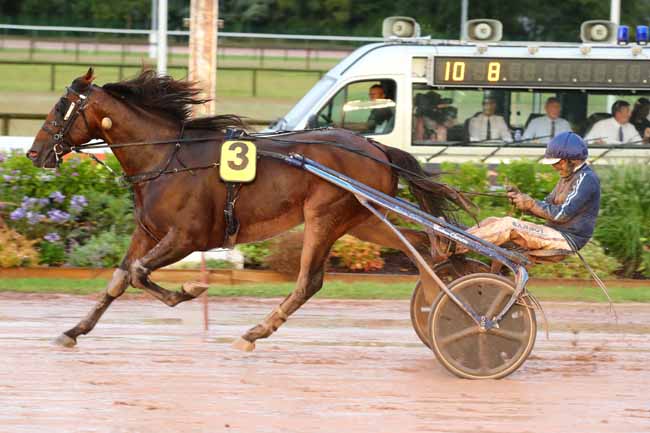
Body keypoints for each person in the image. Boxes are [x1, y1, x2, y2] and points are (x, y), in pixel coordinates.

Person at [455, 132, 600, 254]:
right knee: (493, 221)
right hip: (553, 231)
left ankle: (455, 246)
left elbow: (560, 215)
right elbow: (546, 206)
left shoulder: (586, 179)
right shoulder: (567, 176)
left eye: (558, 162)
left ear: (573, 160)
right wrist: (522, 201)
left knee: (508, 224)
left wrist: (530, 204)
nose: (554, 167)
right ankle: (455, 238)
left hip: (567, 239)